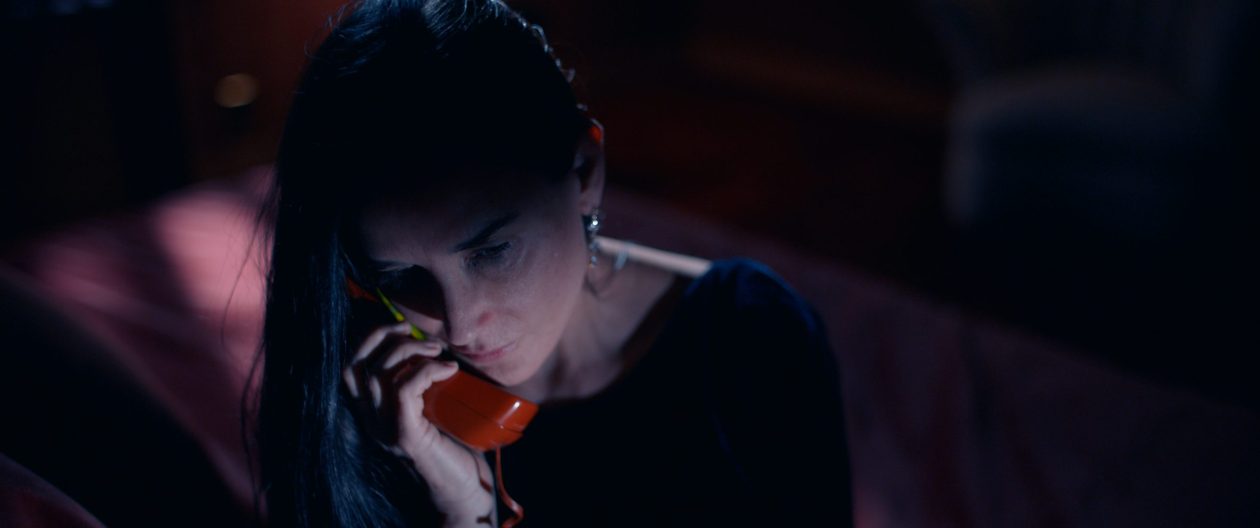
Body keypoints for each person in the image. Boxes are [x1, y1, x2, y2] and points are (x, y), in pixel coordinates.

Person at [252, 1, 853, 526]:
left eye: (492, 251)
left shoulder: (751, 335)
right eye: (399, 277)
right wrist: (465, 514)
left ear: (585, 174)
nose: (458, 326)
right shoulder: (373, 400)